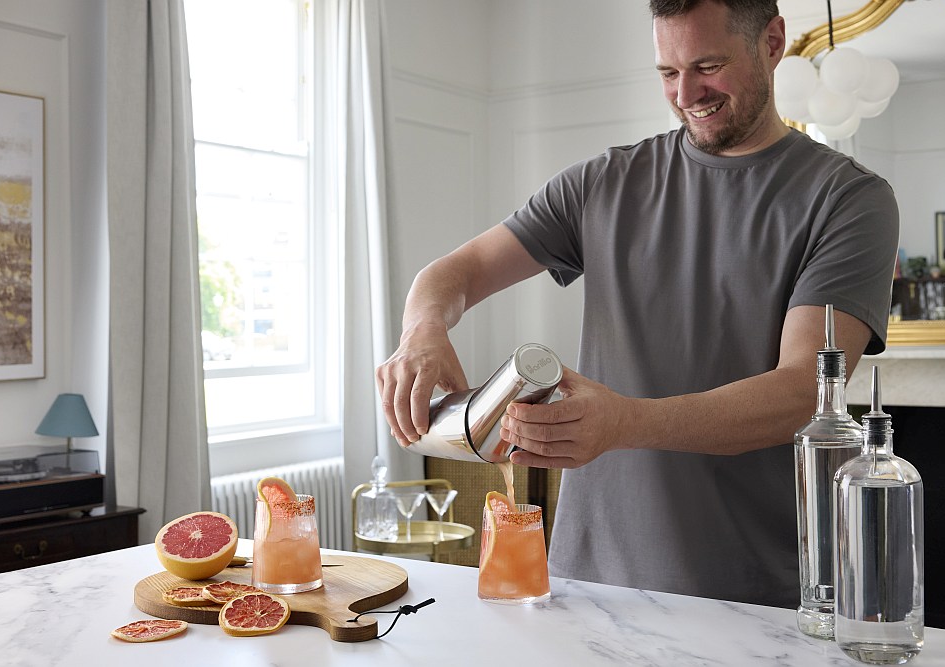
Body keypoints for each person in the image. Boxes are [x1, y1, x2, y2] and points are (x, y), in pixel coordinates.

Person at [375, 0, 898, 608]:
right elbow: (457, 273)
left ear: (773, 42)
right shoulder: (602, 183)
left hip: (751, 594)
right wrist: (422, 330)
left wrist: (624, 423)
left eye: (708, 66)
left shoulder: (848, 199)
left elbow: (803, 392)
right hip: (585, 582)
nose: (687, 94)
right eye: (668, 73)